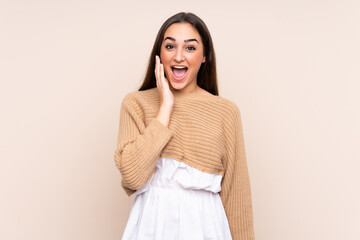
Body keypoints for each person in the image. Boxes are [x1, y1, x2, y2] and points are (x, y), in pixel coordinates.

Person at [114, 12, 255, 240]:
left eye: (190, 48)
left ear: (204, 56)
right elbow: (133, 177)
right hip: (151, 228)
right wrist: (165, 107)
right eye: (170, 46)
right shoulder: (136, 103)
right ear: (159, 53)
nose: (179, 56)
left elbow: (236, 197)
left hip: (206, 229)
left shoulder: (226, 112)